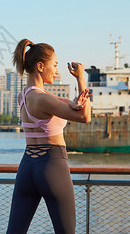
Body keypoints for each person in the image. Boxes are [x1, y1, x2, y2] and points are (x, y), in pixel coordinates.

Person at [6, 39, 92, 234]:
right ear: (40, 66)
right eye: (55, 65)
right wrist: (80, 78)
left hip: (27, 167)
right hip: (52, 166)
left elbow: (67, 105)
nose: (57, 71)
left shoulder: (24, 96)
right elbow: (84, 116)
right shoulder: (43, 99)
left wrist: (75, 102)